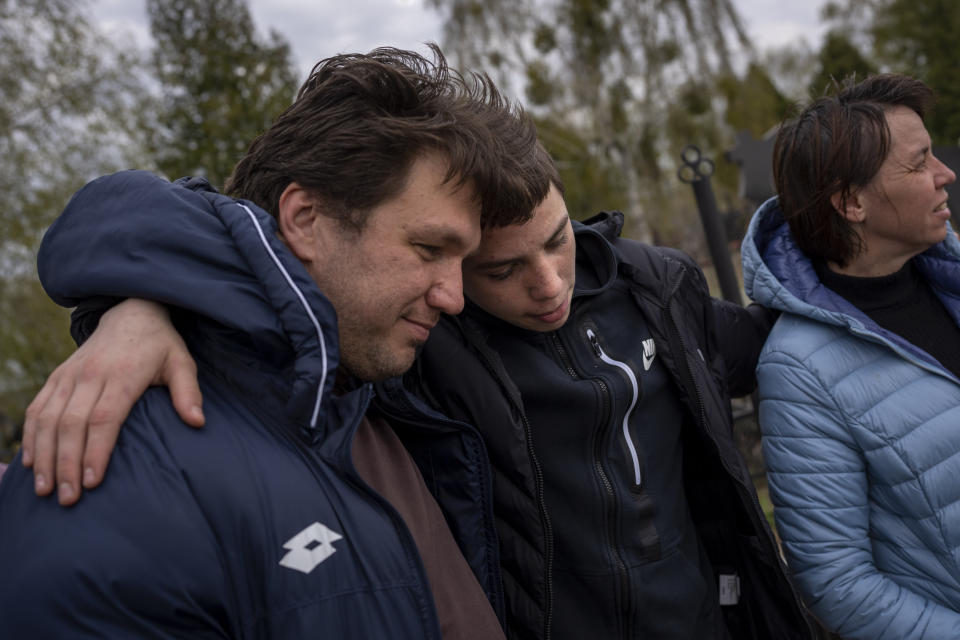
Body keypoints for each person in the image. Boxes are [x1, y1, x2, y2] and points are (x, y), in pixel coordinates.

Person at [15, 155, 817, 636]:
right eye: (497, 269)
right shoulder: (420, 346)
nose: (549, 287)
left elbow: (776, 347)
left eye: (559, 240)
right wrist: (144, 300)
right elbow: (242, 244)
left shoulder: (653, 284)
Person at [0, 45, 549, 638]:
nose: (453, 296)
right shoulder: (114, 468)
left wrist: (143, 296)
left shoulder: (386, 389)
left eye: (465, 263)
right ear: (306, 218)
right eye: (428, 250)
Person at [741, 73, 960, 639]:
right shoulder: (800, 369)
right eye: (919, 164)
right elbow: (839, 585)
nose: (945, 175)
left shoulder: (951, 281)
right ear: (851, 202)